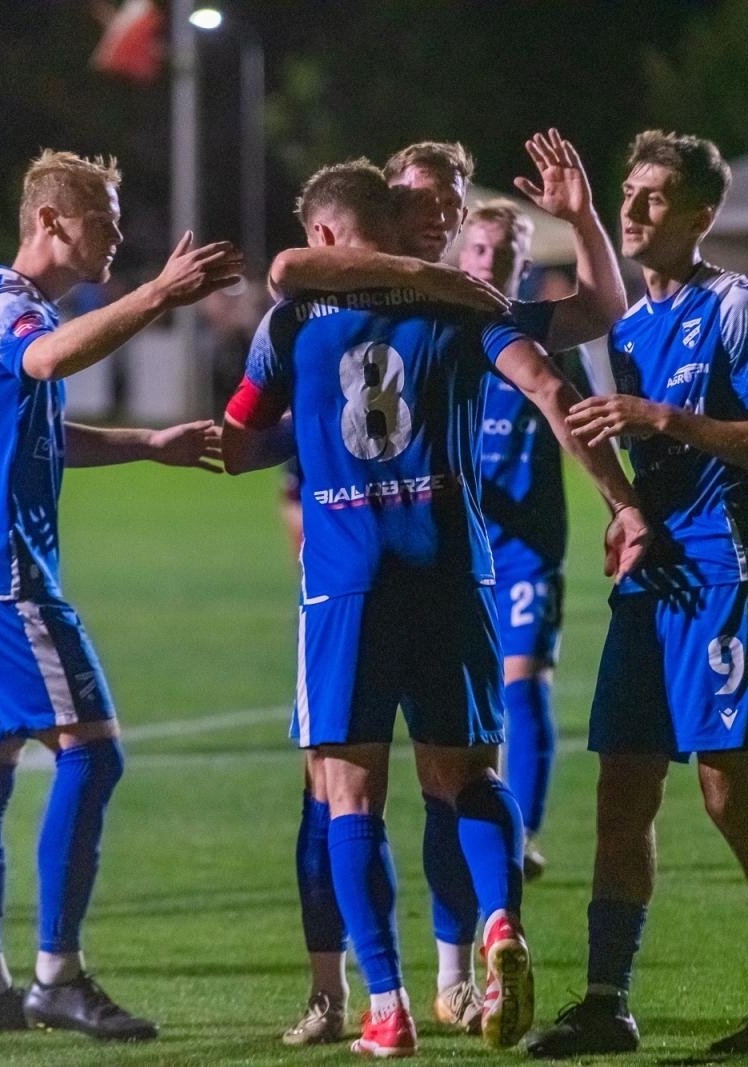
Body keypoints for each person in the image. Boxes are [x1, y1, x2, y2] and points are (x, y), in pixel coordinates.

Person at [223, 159, 649, 1058]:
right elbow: (551, 389)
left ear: (328, 232)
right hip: (454, 573)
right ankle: (498, 925)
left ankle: (388, 1004)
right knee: (466, 778)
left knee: (349, 796)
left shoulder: (292, 318)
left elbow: (235, 439)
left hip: (346, 582)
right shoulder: (462, 303)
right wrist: (624, 501)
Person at [526, 130, 748, 1058]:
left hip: (724, 573)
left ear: (701, 216)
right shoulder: (630, 327)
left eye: (653, 197)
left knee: (728, 796)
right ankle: (607, 1001)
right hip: (648, 583)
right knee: (622, 791)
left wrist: (664, 418)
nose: (634, 209)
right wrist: (621, 509)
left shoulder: (739, 307)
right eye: (628, 193)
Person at [0, 149, 243, 1040]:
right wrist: (156, 295)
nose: (119, 231)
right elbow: (47, 362)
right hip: (4, 572)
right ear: (53, 223)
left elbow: (39, 426)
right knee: (92, 754)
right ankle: (57, 974)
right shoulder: (16, 311)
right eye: (104, 215)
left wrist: (147, 443)